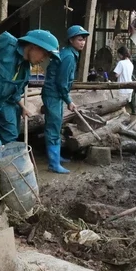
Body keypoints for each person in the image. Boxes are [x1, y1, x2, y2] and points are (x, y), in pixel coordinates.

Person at [0, 24, 59, 154]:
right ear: (34, 45)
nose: (44, 59)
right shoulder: (4, 42)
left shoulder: (24, 74)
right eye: (45, 53)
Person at [41, 25, 89, 174]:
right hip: (53, 94)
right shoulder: (68, 56)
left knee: (56, 125)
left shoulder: (70, 53)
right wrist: (68, 100)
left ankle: (56, 157)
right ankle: (53, 164)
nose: (83, 42)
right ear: (71, 40)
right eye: (80, 39)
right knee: (53, 127)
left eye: (84, 40)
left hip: (55, 94)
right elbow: (61, 82)